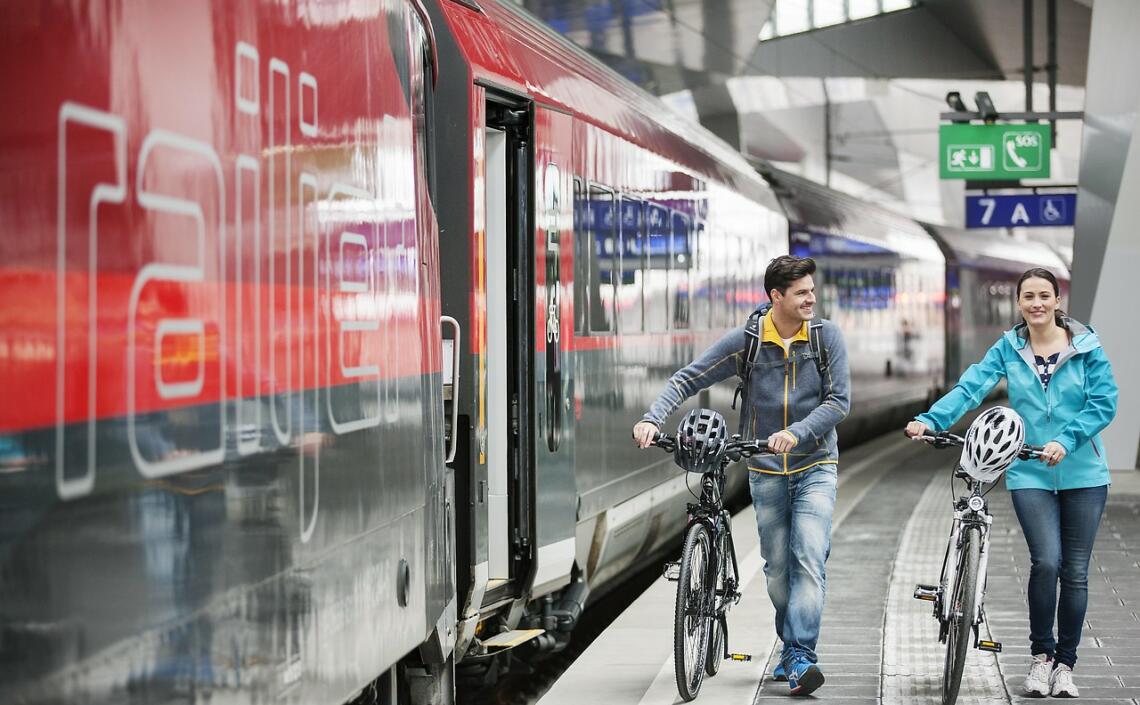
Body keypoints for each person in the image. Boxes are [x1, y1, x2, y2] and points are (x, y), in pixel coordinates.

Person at [632, 255, 850, 696]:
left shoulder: (826, 339)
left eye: (812, 290)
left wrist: (797, 431)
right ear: (776, 297)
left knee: (808, 557)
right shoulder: (747, 342)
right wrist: (652, 418)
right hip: (766, 469)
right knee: (776, 568)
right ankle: (791, 648)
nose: (812, 299)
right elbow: (688, 378)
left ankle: (801, 654)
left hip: (816, 465)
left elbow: (839, 402)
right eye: (802, 293)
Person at [906, 267, 1118, 698]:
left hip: (1084, 473)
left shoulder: (1087, 346)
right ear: (1019, 303)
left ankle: (1066, 665)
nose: (1037, 304)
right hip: (1028, 470)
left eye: (1045, 296)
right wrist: (930, 420)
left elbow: (1104, 402)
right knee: (1046, 562)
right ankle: (1041, 658)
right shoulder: (1009, 346)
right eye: (1028, 297)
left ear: (1058, 301)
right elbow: (972, 388)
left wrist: (1066, 439)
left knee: (1075, 573)